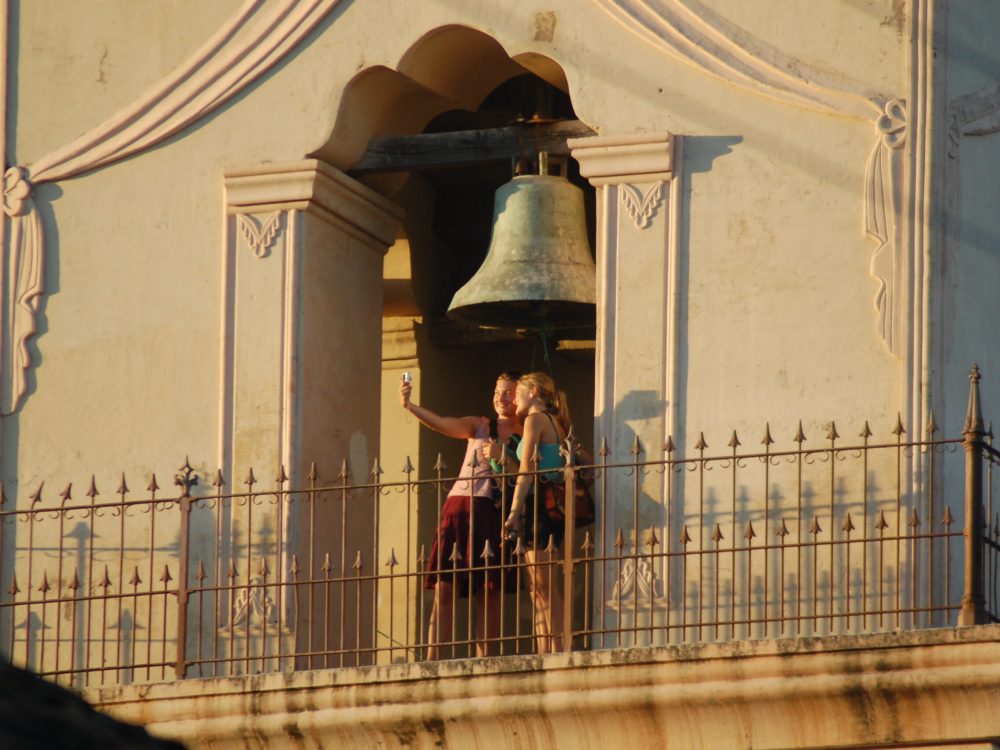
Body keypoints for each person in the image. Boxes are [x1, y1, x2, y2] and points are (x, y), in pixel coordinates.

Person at [400, 372, 522, 660]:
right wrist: (409, 405)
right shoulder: (479, 425)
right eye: (497, 391)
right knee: (445, 587)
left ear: (519, 397)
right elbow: (443, 424)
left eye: (507, 393)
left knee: (490, 592)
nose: (500, 398)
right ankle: (433, 659)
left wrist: (504, 456)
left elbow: (527, 474)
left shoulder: (528, 433)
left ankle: (484, 660)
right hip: (460, 506)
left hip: (493, 512)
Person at [502, 372, 572, 654]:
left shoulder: (535, 419)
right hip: (549, 506)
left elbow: (527, 469)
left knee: (542, 586)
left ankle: (555, 649)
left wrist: (513, 512)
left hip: (539, 509)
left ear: (532, 391)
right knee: (539, 587)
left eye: (517, 392)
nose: (514, 399)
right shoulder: (554, 421)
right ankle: (547, 648)